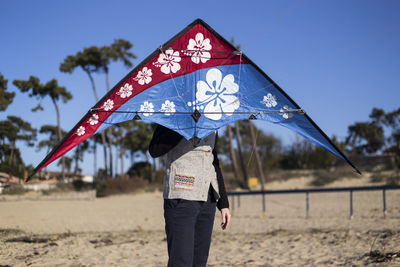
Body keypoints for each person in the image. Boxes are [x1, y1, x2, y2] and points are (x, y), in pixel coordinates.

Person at [149, 124, 231, 267]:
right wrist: (185, 125)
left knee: (199, 262)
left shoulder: (212, 120)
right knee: (181, 261)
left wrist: (223, 204)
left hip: (208, 197)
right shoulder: (172, 116)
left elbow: (213, 158)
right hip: (181, 196)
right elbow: (155, 150)